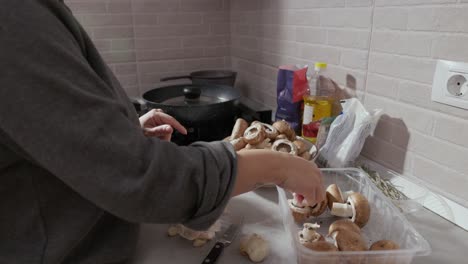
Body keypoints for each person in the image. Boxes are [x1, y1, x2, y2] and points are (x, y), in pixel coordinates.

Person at [0, 1, 324, 263]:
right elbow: (138, 177)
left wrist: (119, 134)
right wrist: (276, 166)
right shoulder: (14, 17)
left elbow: (44, 134)